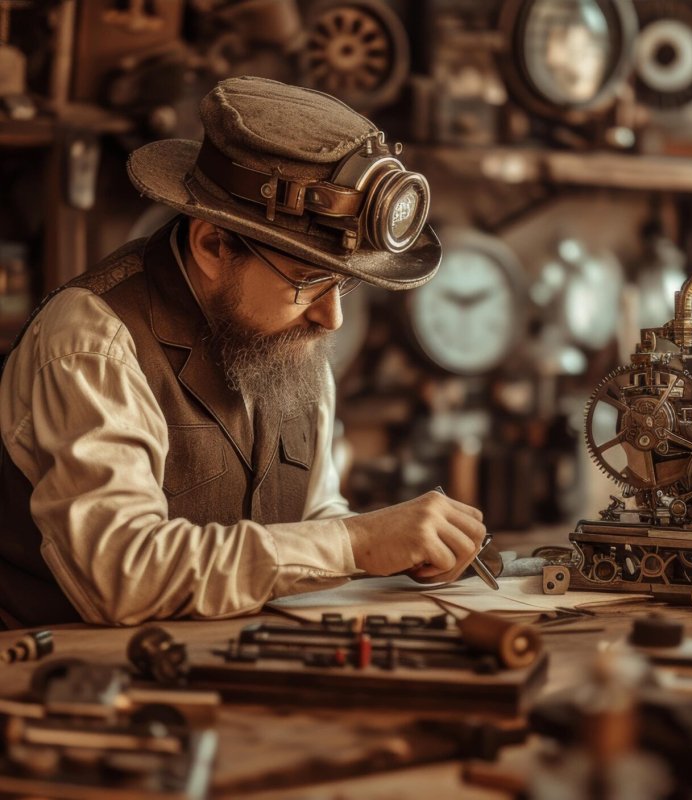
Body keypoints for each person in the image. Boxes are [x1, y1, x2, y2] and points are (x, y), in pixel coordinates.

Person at [0, 77, 486, 628]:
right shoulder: (94, 343)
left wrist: (403, 551)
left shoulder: (290, 339)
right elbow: (120, 576)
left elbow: (313, 520)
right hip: (59, 685)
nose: (333, 318)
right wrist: (354, 543)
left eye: (345, 285)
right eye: (308, 280)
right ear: (213, 244)